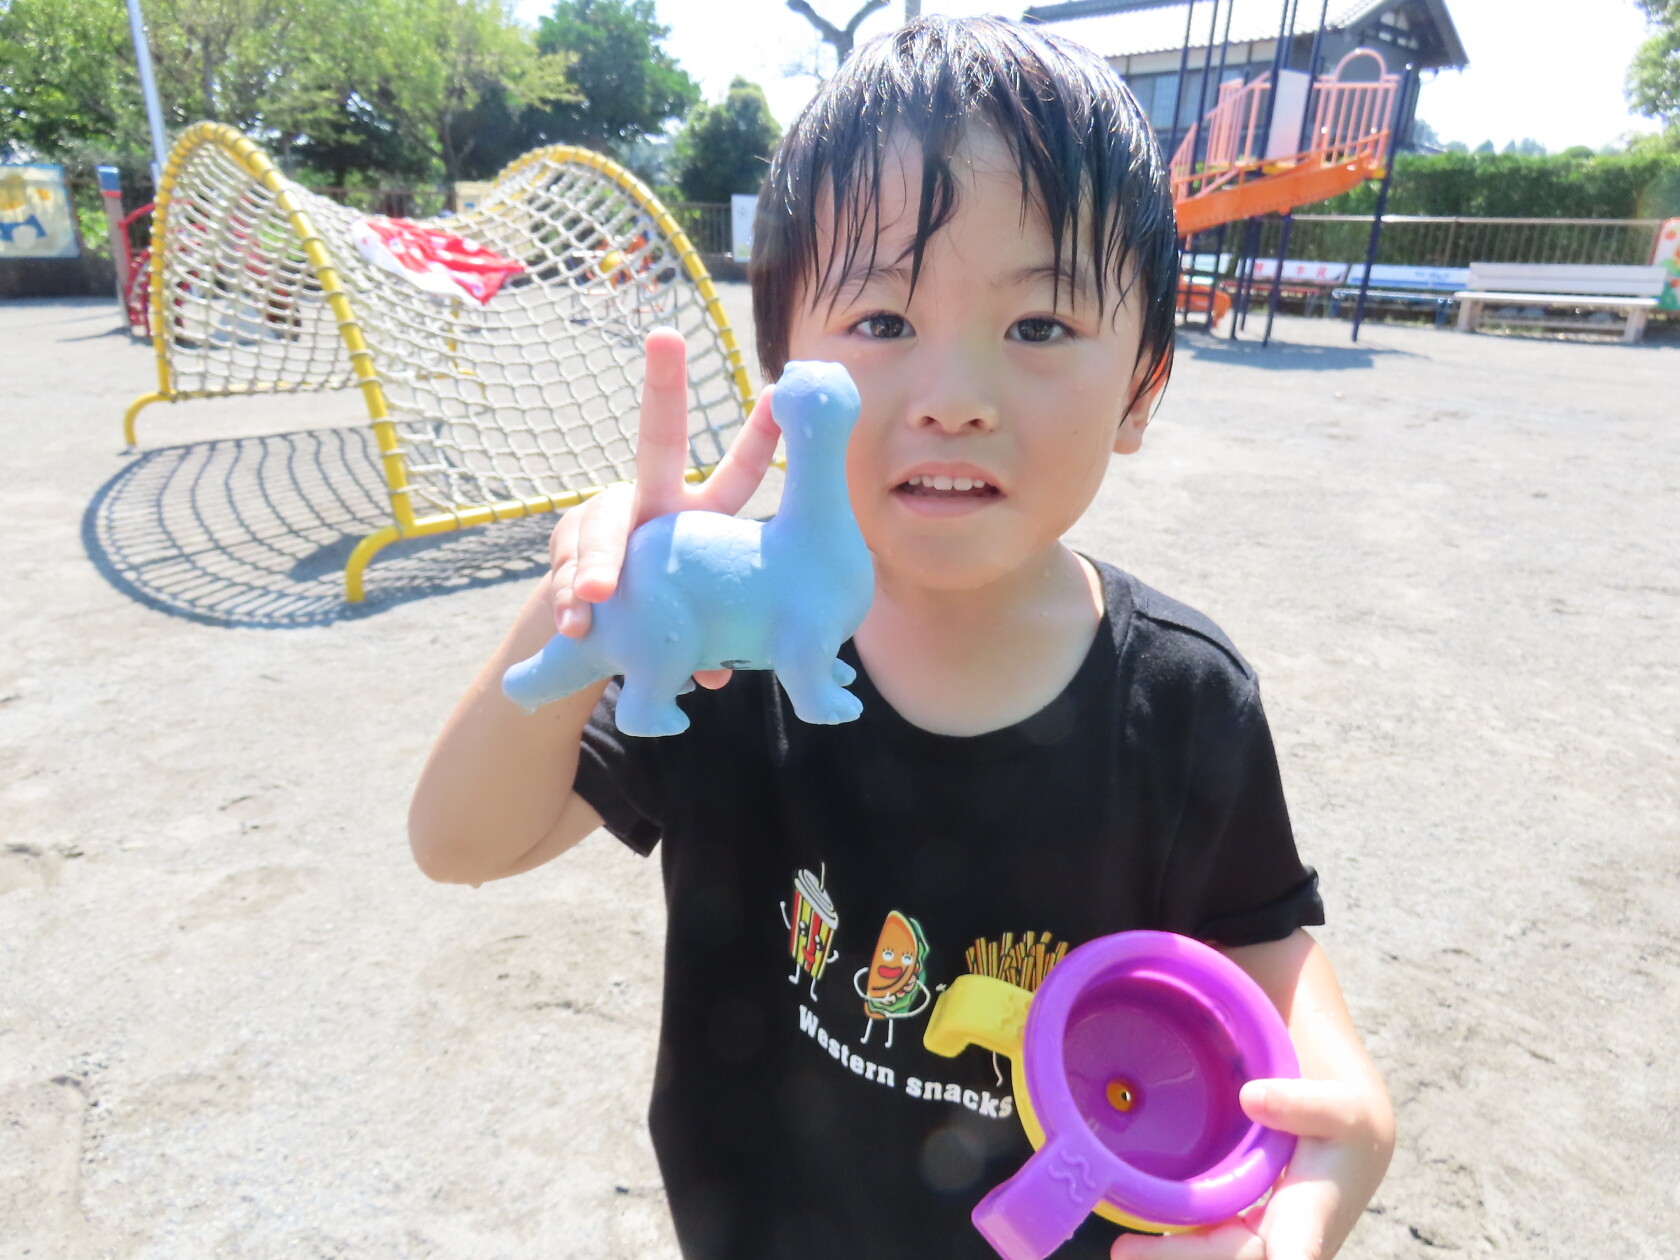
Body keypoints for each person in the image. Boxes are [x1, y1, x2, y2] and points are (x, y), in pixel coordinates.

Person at [409, 16, 1393, 1260]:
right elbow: (461, 842)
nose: (953, 397)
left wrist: (1348, 1119)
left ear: (1143, 384)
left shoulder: (1184, 701)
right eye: (880, 320)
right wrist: (595, 602)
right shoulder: (727, 651)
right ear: (786, 376)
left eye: (1039, 326)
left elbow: (1268, 957)